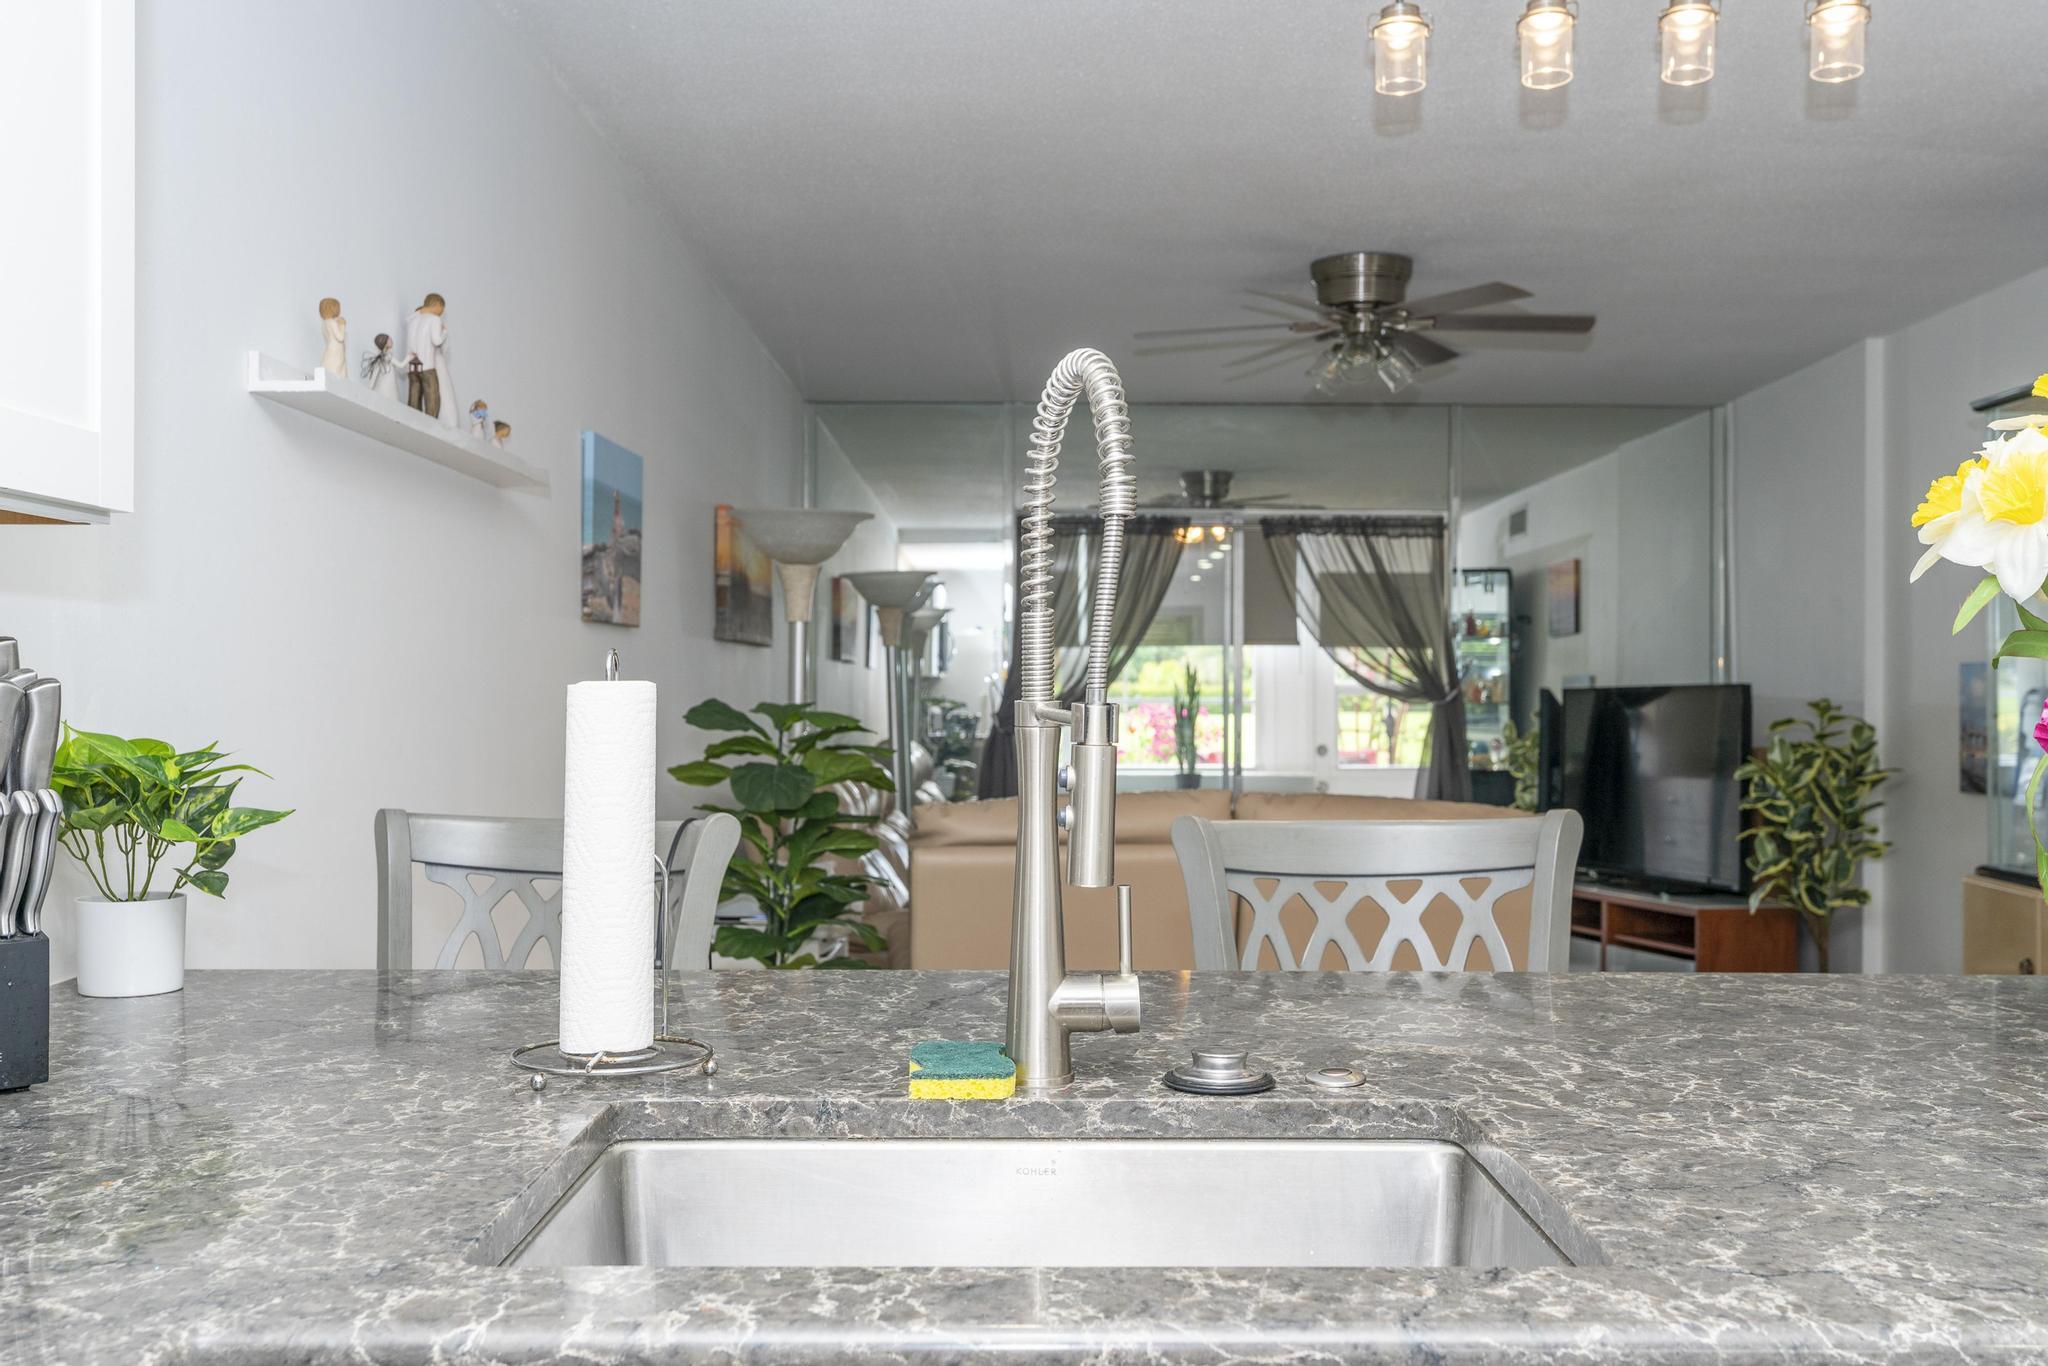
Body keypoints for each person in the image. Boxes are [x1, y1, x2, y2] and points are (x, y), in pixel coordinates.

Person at [404, 293, 448, 418]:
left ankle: (412, 419)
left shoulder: (412, 320)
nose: (441, 312)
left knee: (414, 393)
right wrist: (444, 332)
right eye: (441, 309)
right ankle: (431, 424)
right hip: (427, 364)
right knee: (431, 396)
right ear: (436, 305)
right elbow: (437, 341)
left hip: (411, 364)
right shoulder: (434, 319)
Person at [361, 333, 400, 402]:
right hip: (386, 387)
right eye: (389, 339)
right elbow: (400, 365)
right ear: (385, 342)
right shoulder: (385, 357)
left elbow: (374, 376)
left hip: (388, 386)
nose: (391, 340)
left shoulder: (382, 357)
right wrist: (409, 357)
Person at [318, 298, 347, 378]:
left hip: (331, 347)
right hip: (336, 349)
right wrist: (342, 325)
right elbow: (340, 337)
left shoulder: (324, 323)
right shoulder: (332, 322)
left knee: (331, 366)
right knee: (336, 368)